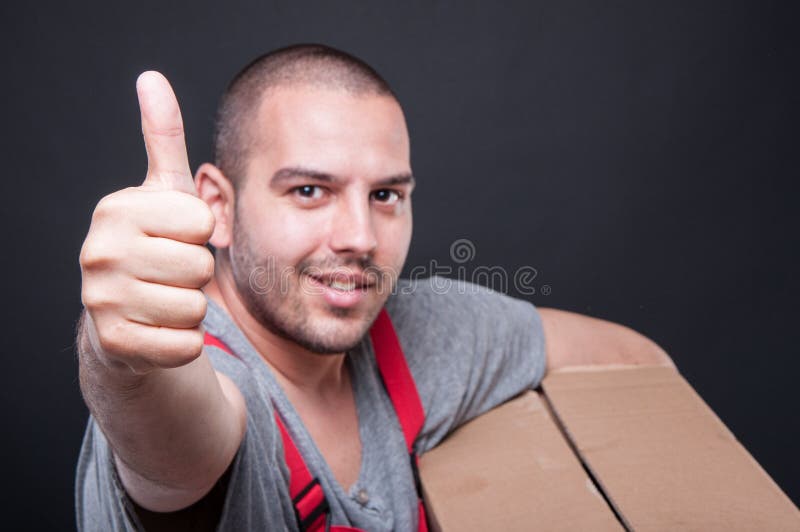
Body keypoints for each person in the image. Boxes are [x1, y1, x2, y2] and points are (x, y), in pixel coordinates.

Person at [74, 44, 673, 531]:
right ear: (218, 208)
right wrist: (124, 359)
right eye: (310, 190)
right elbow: (172, 442)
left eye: (386, 195)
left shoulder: (422, 333)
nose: (360, 236)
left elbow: (637, 361)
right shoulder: (217, 383)